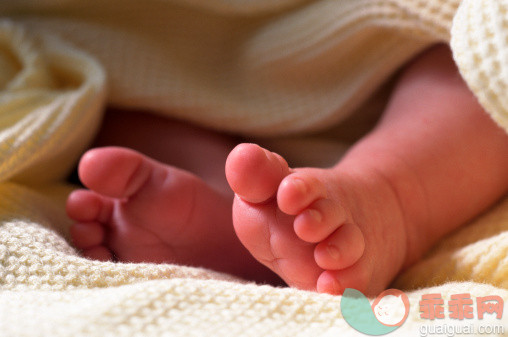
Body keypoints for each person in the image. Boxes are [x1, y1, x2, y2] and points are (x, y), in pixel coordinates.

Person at [66, 45, 508, 296]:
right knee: (113, 94)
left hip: (393, 56)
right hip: (187, 67)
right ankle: (232, 212)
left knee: (484, 56)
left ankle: (389, 195)